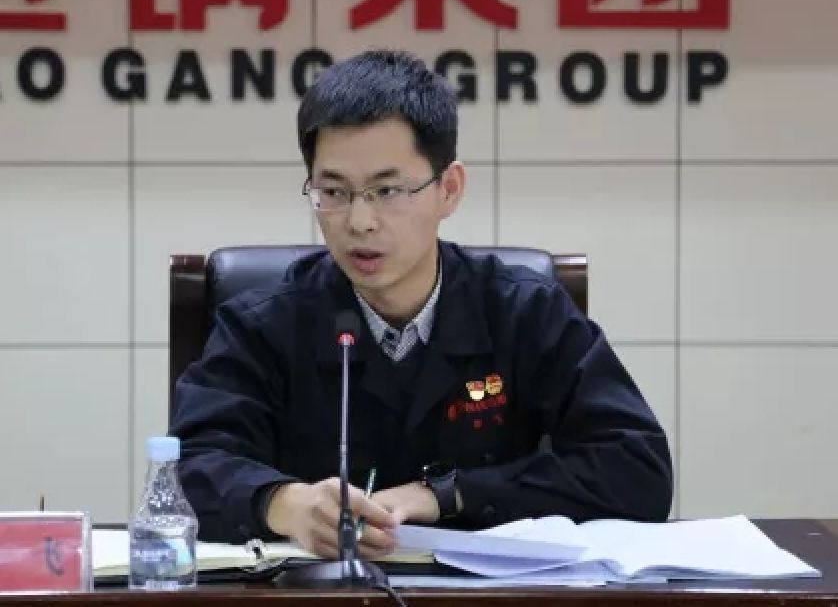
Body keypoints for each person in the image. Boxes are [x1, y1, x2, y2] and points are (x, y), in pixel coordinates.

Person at [169, 49, 672, 559]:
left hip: (489, 592)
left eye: (387, 190)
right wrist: (284, 504)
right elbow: (187, 470)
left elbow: (636, 467)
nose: (359, 221)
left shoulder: (524, 310)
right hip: (317, 590)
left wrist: (447, 495)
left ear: (448, 190)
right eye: (333, 192)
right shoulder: (264, 324)